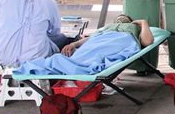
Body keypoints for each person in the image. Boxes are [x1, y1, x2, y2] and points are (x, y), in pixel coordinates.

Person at [15, 14, 154, 76]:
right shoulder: (106, 28)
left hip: (120, 41)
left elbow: (147, 41)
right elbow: (90, 39)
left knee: (96, 57)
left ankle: (73, 66)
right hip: (98, 41)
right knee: (78, 55)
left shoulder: (133, 29)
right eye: (118, 18)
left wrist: (143, 23)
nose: (120, 18)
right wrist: (74, 44)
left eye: (124, 18)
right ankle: (69, 64)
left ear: (130, 21)